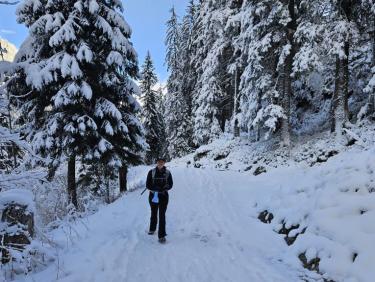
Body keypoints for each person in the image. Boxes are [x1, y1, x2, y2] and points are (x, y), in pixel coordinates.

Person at [146, 157, 173, 243]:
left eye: (162, 162)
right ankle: (152, 228)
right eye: (159, 162)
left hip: (164, 196)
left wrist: (165, 188)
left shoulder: (168, 173)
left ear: (164, 163)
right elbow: (147, 184)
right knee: (153, 212)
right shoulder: (151, 172)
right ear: (156, 163)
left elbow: (171, 184)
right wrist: (155, 188)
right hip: (153, 196)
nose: (160, 163)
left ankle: (161, 236)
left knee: (162, 215)